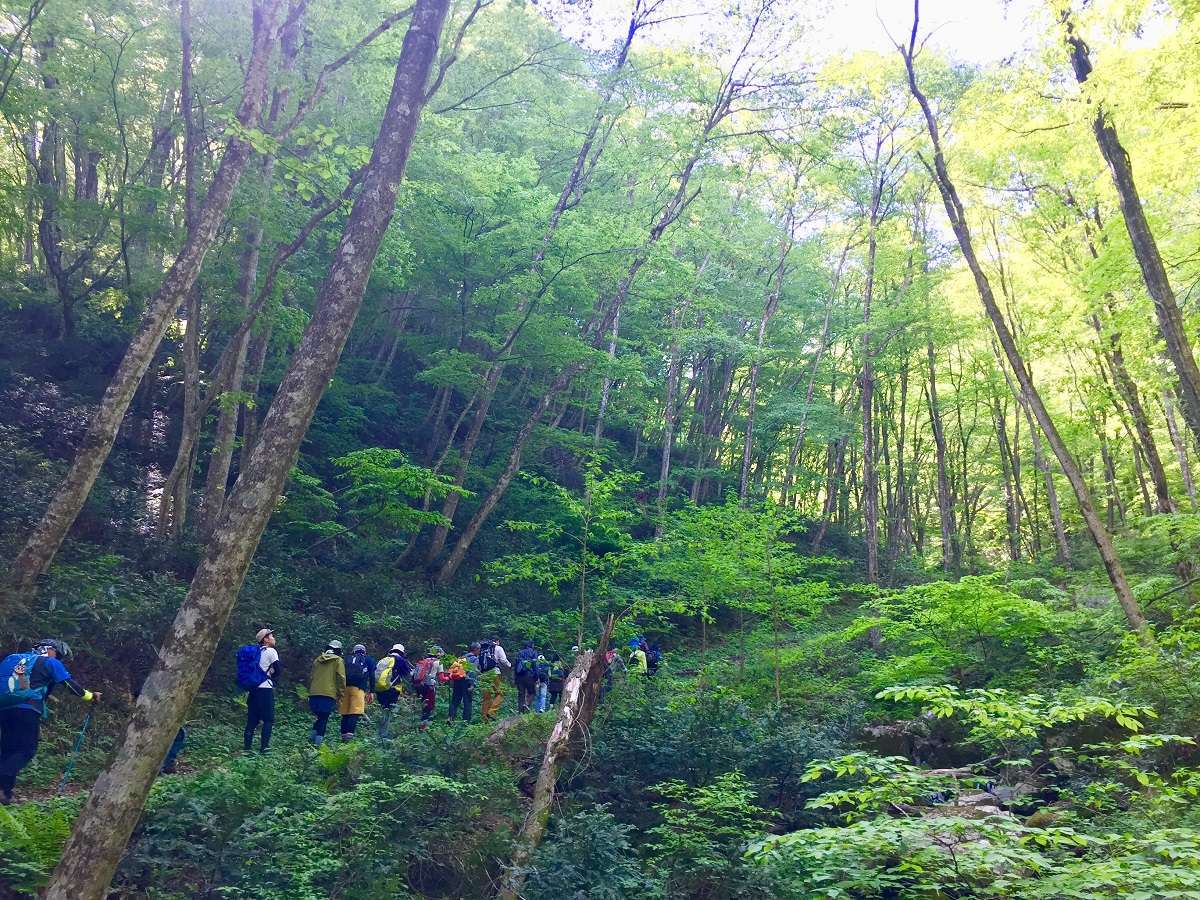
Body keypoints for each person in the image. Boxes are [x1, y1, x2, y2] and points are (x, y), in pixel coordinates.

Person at [0, 639, 101, 804]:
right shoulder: (50, 662)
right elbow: (68, 684)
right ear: (49, 650)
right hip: (27, 709)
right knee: (26, 750)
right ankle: (3, 782)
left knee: (8, 750)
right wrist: (90, 696)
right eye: (59, 654)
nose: (59, 659)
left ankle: (4, 793)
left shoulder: (12, 659)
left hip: (4, 708)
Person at [242, 628, 279, 753]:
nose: (274, 638)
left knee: (252, 720)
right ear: (266, 639)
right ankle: (264, 748)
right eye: (271, 636)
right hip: (265, 689)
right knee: (268, 719)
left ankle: (247, 748)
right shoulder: (271, 651)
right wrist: (271, 674)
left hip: (253, 689)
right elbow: (278, 671)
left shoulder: (254, 653)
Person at [308, 640, 346, 747]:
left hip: (314, 693)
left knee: (319, 717)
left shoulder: (317, 660)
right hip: (328, 694)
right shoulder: (338, 661)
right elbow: (341, 678)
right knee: (323, 718)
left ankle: (311, 739)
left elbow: (311, 676)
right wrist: (341, 693)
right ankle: (317, 745)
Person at [374, 643, 412, 740]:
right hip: (392, 690)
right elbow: (408, 674)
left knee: (383, 710)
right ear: (401, 652)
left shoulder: (384, 660)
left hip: (379, 689)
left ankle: (379, 733)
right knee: (389, 710)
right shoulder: (400, 660)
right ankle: (384, 735)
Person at [340, 644, 376, 742]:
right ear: (364, 651)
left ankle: (343, 739)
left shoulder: (347, 659)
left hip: (345, 689)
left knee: (345, 713)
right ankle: (349, 740)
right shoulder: (368, 660)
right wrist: (372, 691)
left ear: (354, 651)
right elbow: (372, 676)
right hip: (359, 689)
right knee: (354, 713)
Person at [412, 646, 444, 729]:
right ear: (438, 654)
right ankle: (423, 727)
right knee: (429, 706)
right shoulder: (438, 662)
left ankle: (416, 724)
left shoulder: (423, 661)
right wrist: (450, 677)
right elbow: (441, 678)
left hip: (419, 685)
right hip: (429, 687)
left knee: (421, 704)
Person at [446, 644, 479, 724]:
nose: (479, 651)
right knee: (467, 701)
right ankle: (465, 722)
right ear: (475, 649)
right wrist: (472, 684)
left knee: (455, 701)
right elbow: (472, 672)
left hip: (457, 681)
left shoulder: (461, 658)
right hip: (466, 681)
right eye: (479, 649)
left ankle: (450, 718)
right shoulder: (474, 659)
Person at [514, 640, 538, 713]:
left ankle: (520, 710)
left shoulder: (519, 653)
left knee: (521, 693)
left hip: (520, 676)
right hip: (529, 676)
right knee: (532, 692)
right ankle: (527, 704)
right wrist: (536, 676)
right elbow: (535, 665)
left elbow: (516, 666)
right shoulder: (534, 653)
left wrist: (515, 677)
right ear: (532, 645)